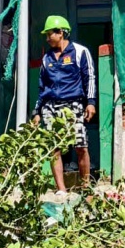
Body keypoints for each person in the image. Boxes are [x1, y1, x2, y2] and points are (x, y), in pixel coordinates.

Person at [35, 15, 95, 192]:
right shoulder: (46, 59)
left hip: (74, 105)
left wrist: (90, 102)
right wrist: (37, 111)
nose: (47, 38)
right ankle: (61, 189)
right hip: (50, 106)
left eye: (49, 34)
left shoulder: (80, 52)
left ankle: (86, 187)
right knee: (54, 149)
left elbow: (89, 78)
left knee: (81, 146)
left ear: (60, 33)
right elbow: (42, 86)